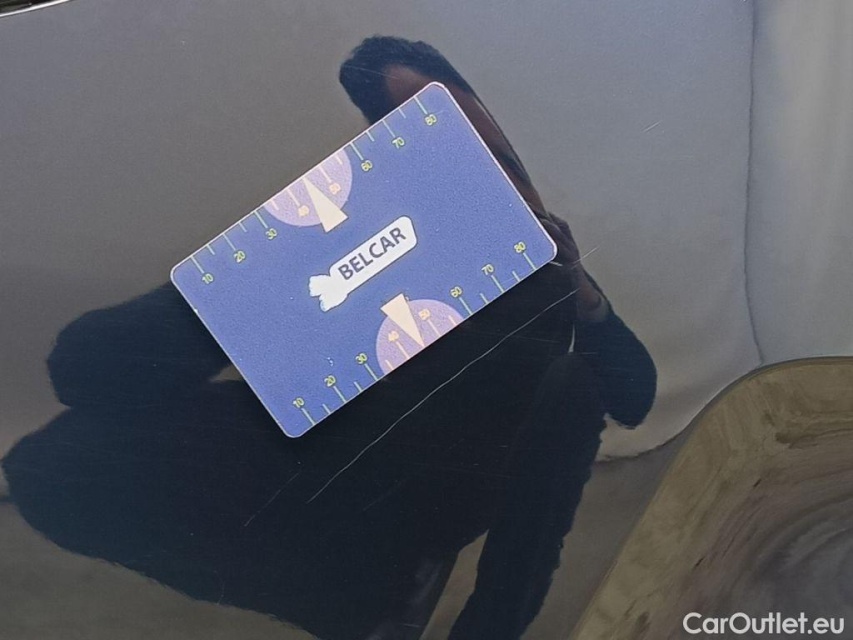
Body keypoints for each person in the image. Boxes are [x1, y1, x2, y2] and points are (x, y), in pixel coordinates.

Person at [3, 36, 656, 640]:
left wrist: (578, 286)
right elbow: (82, 370)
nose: (481, 166)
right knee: (54, 466)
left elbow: (634, 393)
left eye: (491, 149)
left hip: (442, 476)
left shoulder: (533, 252)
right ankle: (355, 598)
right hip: (328, 442)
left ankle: (439, 604)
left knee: (572, 387)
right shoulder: (352, 232)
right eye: (428, 140)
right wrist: (260, 278)